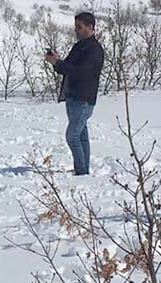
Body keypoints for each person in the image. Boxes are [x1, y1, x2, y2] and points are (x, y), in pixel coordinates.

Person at [45, 12, 105, 176]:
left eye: (79, 27)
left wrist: (58, 63)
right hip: (72, 97)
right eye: (75, 27)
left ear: (90, 28)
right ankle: (83, 169)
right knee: (81, 135)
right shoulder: (79, 46)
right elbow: (67, 68)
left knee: (72, 136)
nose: (76, 31)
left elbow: (80, 72)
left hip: (84, 99)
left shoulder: (95, 50)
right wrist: (56, 61)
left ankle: (81, 171)